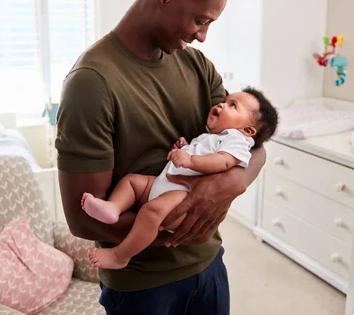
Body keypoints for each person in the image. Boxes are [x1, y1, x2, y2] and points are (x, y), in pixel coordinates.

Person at [55, 0, 267, 315]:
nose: (202, 36)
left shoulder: (197, 65)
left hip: (209, 265)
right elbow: (81, 217)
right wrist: (178, 224)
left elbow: (253, 146)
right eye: (200, 20)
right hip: (143, 287)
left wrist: (229, 186)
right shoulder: (91, 82)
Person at [82, 88, 278, 270]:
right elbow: (200, 154)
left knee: (151, 212)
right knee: (132, 182)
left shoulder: (236, 140)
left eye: (233, 105)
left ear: (248, 131)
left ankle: (120, 255)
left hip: (182, 196)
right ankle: (113, 207)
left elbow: (224, 161)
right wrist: (183, 148)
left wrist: (190, 159)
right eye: (225, 101)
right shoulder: (211, 136)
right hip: (164, 184)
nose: (221, 104)